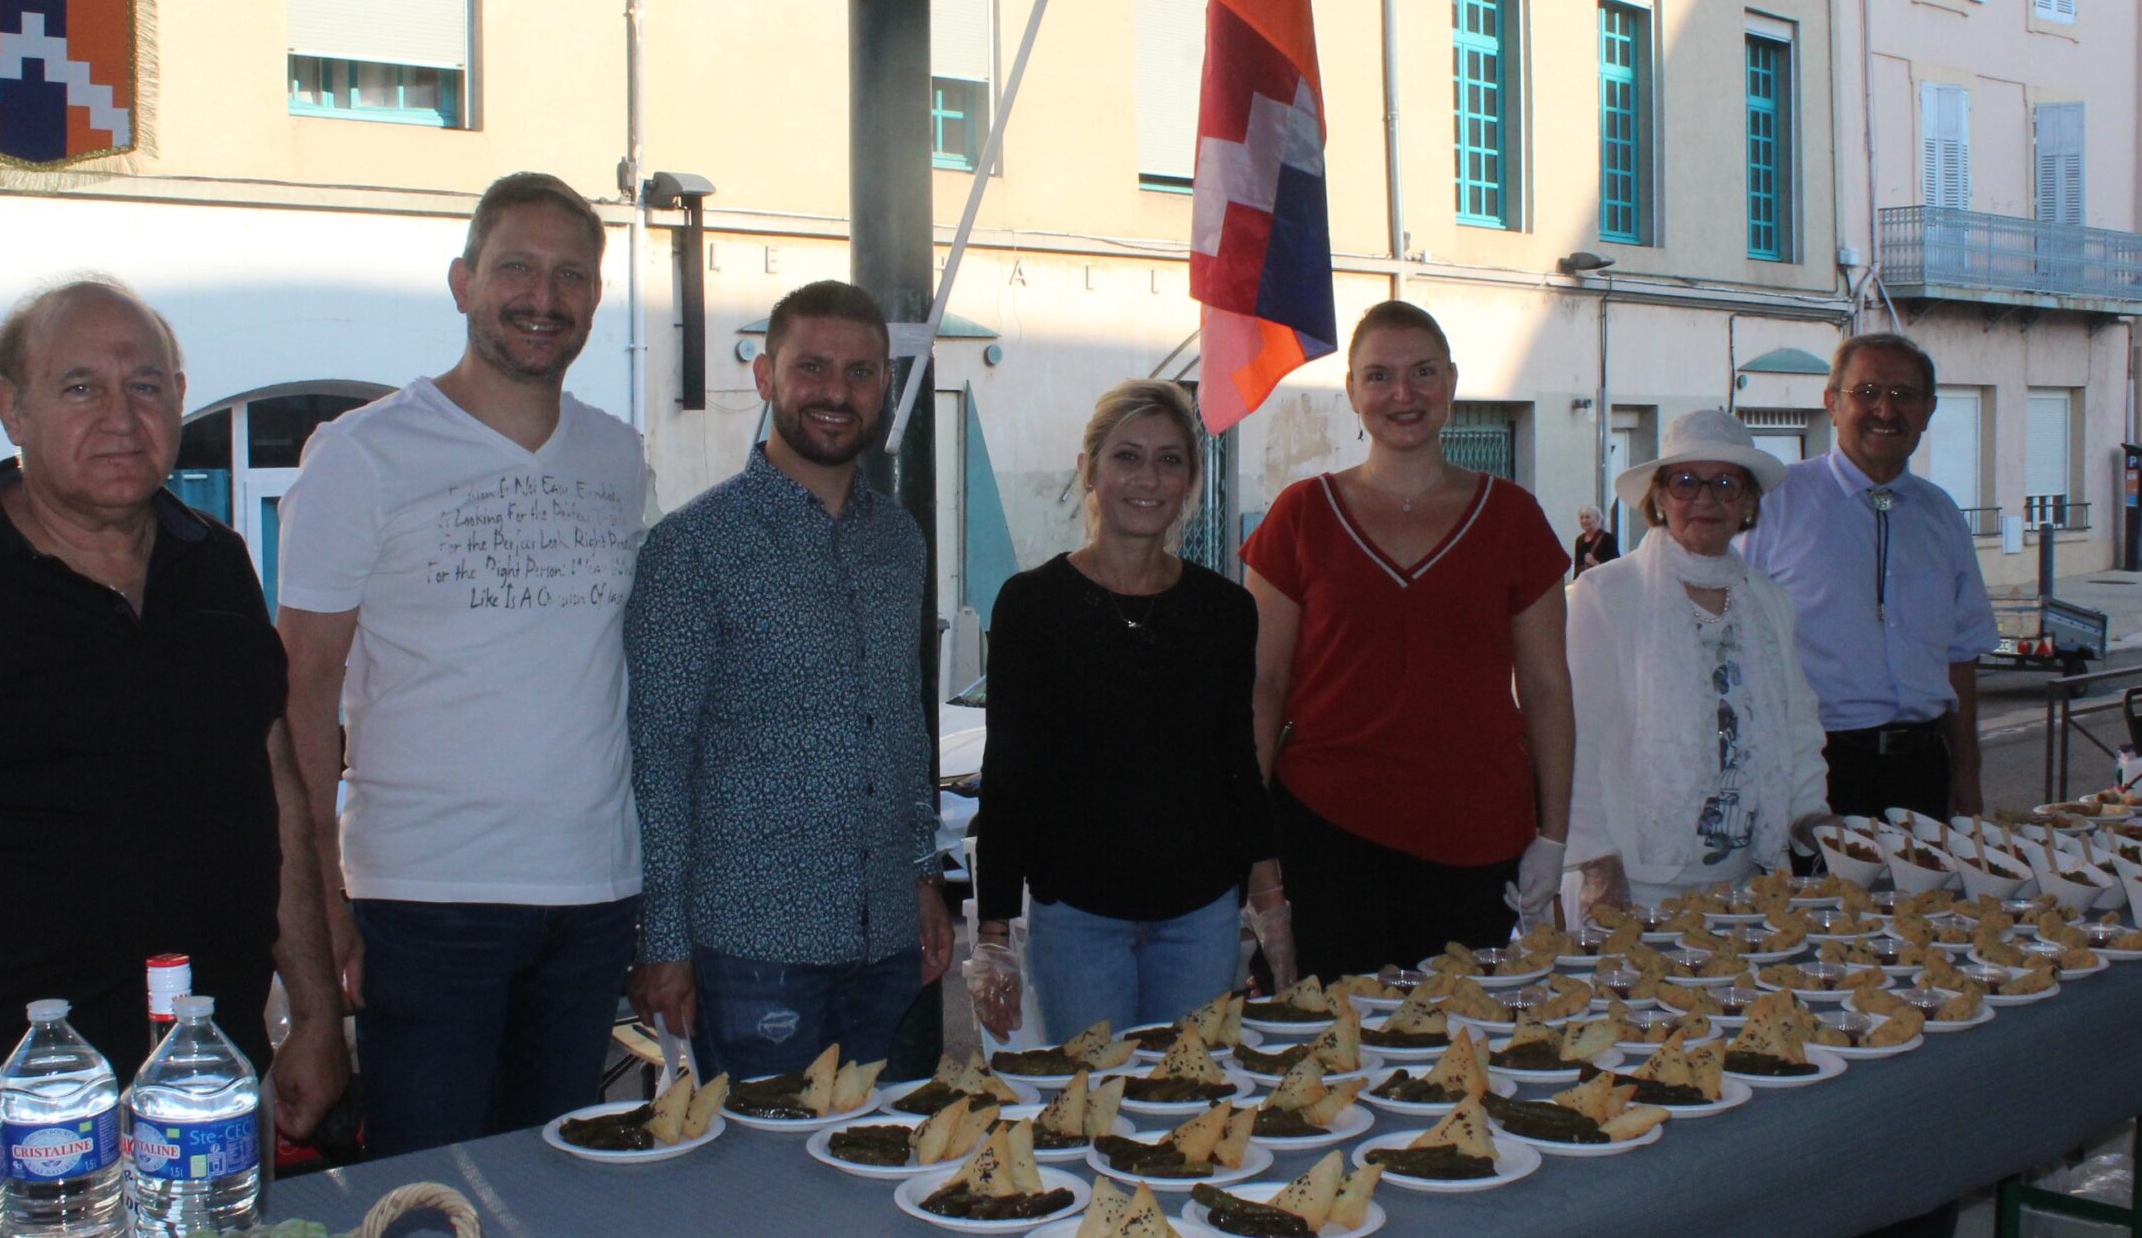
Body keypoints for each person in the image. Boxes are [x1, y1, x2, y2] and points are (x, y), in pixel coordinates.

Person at [0, 278, 347, 1139]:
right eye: (78, 387)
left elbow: (277, 797)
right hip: (23, 1102)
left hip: (214, 1074)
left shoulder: (216, 565)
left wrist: (318, 1015)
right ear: (10, 410)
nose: (119, 416)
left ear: (179, 400)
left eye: (145, 386)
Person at [277, 173, 648, 1157]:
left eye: (571, 274)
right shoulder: (360, 455)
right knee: (429, 1192)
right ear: (461, 281)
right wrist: (322, 902)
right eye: (515, 267)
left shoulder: (619, 458)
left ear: (594, 301)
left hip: (593, 896)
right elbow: (299, 696)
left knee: (560, 1189)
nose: (543, 295)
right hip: (425, 901)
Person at [626, 280, 952, 1080]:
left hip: (883, 943)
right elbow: (657, 759)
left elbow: (901, 726)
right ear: (766, 376)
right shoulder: (693, 548)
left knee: (880, 1168)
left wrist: (923, 876)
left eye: (861, 372)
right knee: (755, 1187)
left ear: (884, 386)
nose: (837, 393)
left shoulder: (899, 543)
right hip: (752, 947)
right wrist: (662, 944)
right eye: (813, 368)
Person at [1244, 301, 1576, 976]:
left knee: (1460, 1051)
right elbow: (1262, 688)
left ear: (1452, 382)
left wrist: (1554, 837)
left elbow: (1546, 687)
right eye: (1380, 376)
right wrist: (1256, 854)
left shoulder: (1513, 517)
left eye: (1423, 372)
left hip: (1477, 834)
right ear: (1352, 392)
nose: (1404, 394)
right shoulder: (1300, 515)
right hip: (1326, 831)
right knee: (1335, 1052)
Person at [963, 381, 1289, 1041]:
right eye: (1128, 456)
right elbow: (1008, 779)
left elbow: (1237, 765)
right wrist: (992, 933)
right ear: (1089, 470)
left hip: (1201, 917)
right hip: (1077, 920)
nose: (1149, 478)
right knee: (1091, 1116)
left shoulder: (1225, 612)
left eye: (1170, 460)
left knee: (1189, 1109)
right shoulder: (1032, 606)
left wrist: (1271, 905)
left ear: (1190, 480)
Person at [1566, 411, 1833, 908]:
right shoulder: (1604, 595)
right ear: (1660, 497)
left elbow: (1797, 727)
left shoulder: (1768, 600)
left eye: (1726, 484)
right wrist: (1596, 862)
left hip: (1748, 884)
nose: (1705, 499)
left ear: (1748, 501)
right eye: (1686, 482)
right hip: (1634, 886)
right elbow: (1575, 741)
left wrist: (1810, 816)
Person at [1744, 333, 1999, 821]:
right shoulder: (1775, 504)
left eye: (1905, 395)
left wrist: (1967, 771)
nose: (1886, 410)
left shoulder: (1941, 514)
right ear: (1831, 405)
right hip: (1815, 772)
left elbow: (1961, 655)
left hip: (1925, 773)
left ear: (1929, 410)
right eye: (1866, 393)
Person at [1572, 505, 1619, 578]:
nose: (1584, 521)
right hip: (1586, 583)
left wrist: (1595, 563)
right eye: (1581, 518)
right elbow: (1577, 568)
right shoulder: (1580, 540)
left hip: (1602, 583)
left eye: (1587, 517)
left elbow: (1615, 565)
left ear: (1597, 518)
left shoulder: (1607, 538)